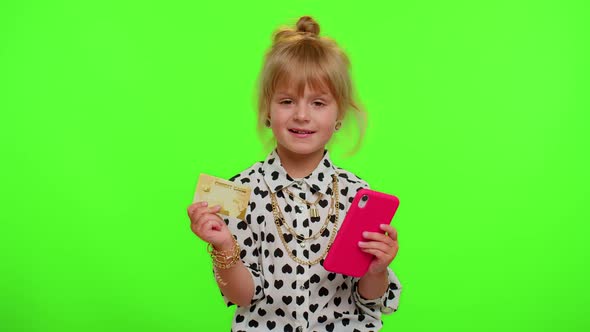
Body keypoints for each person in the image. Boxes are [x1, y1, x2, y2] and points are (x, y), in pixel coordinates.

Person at [187, 16, 401, 332]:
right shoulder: (241, 191)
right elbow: (244, 296)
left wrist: (377, 269)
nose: (302, 115)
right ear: (267, 112)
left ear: (339, 115)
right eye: (287, 101)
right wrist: (224, 247)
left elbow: (368, 300)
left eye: (318, 103)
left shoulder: (357, 194)